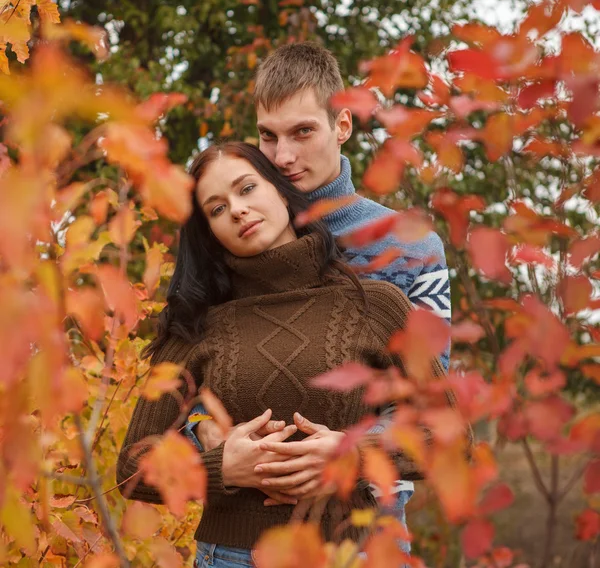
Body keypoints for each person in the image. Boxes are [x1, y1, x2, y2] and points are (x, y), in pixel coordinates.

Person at [117, 142, 459, 567]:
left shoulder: (376, 304)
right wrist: (220, 468)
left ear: (280, 190)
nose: (238, 210)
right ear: (208, 232)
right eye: (217, 209)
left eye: (247, 189)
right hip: (232, 557)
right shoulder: (195, 326)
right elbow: (132, 467)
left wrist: (353, 454)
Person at [187, 42, 452, 544]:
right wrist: (205, 427)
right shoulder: (233, 238)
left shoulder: (409, 247)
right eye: (269, 136)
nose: (283, 156)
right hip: (242, 535)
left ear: (342, 126)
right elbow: (189, 381)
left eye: (303, 131)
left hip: (364, 529)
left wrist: (348, 450)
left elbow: (430, 408)